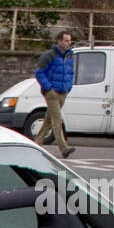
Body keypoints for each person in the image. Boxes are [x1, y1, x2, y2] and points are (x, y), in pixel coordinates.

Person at [34, 30, 76, 158]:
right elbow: (39, 72)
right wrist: (48, 88)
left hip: (63, 92)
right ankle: (63, 147)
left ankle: (36, 143)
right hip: (52, 93)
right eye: (66, 40)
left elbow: (71, 72)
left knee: (48, 119)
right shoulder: (49, 55)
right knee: (57, 119)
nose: (68, 43)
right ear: (59, 41)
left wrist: (69, 87)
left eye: (70, 40)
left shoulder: (69, 56)